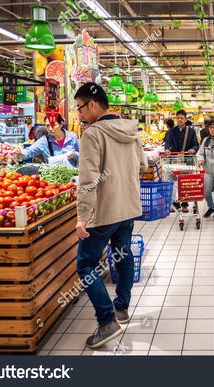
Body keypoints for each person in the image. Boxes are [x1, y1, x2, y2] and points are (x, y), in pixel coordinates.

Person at [74, 82, 147, 349]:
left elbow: (88, 179)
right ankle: (121, 309)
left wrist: (83, 216)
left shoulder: (92, 134)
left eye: (80, 108)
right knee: (123, 256)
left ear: (92, 105)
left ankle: (106, 321)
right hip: (128, 207)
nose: (79, 114)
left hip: (103, 212)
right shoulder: (131, 130)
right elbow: (143, 164)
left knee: (85, 265)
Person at [164, 109, 199, 212]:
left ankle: (185, 204)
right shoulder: (171, 131)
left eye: (181, 118)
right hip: (174, 160)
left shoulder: (191, 131)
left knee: (185, 182)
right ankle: (176, 203)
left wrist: (194, 149)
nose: (179, 120)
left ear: (185, 119)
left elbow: (196, 144)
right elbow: (167, 142)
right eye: (178, 118)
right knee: (174, 181)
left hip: (187, 160)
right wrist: (166, 149)